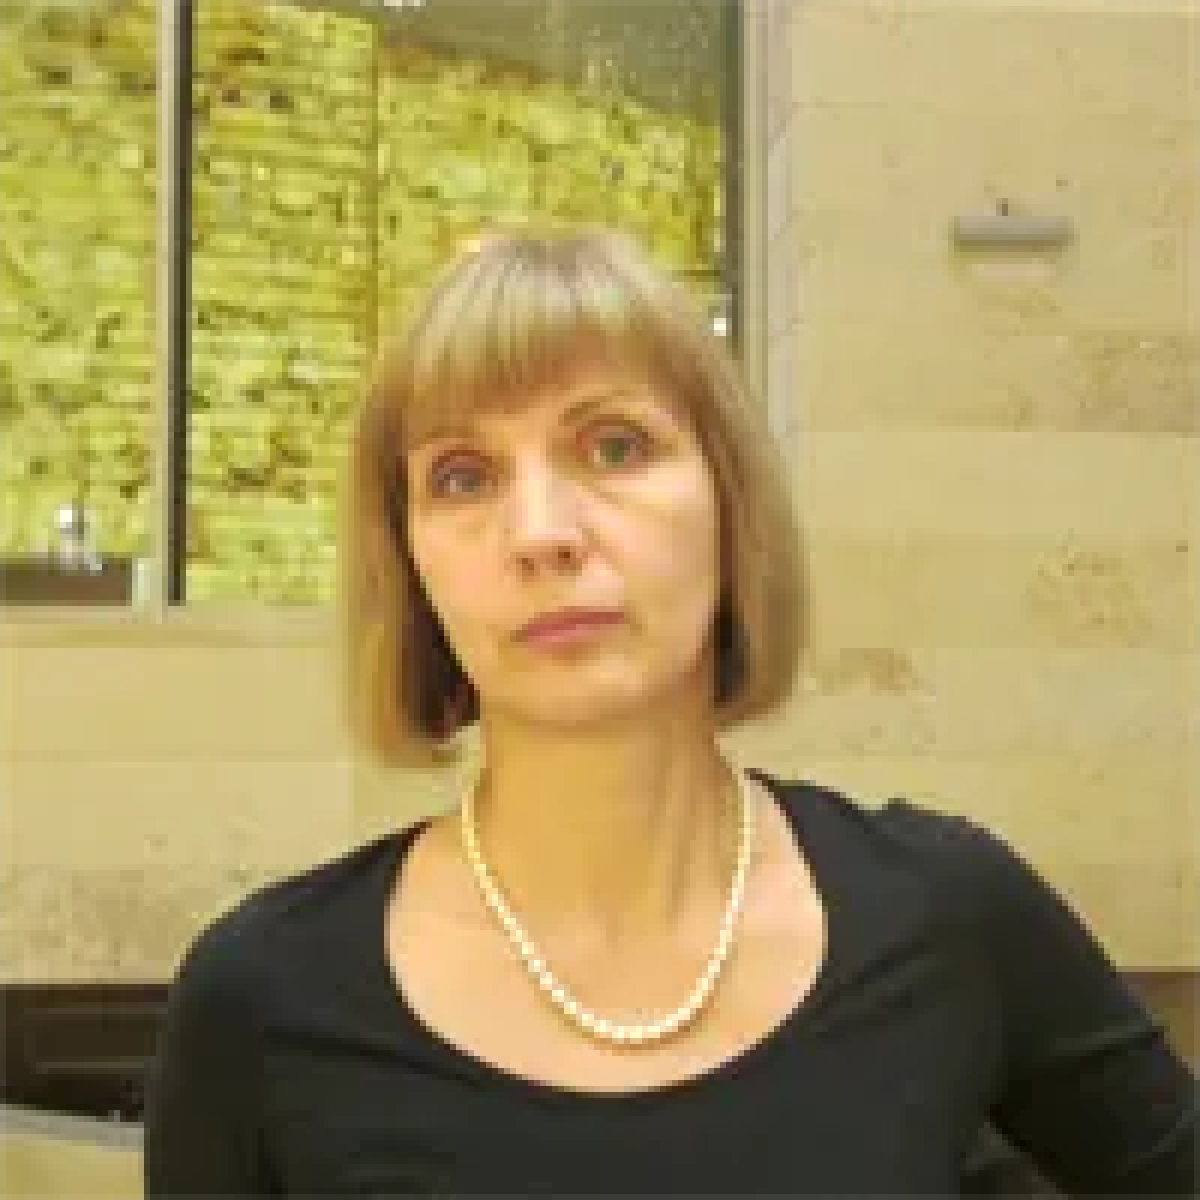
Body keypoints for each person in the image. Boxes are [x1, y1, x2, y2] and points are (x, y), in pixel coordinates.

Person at [142, 226, 1196, 1195]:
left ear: (731, 506)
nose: (541, 533)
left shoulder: (949, 915)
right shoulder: (261, 1000)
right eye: (463, 476)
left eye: (614, 447)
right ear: (410, 564)